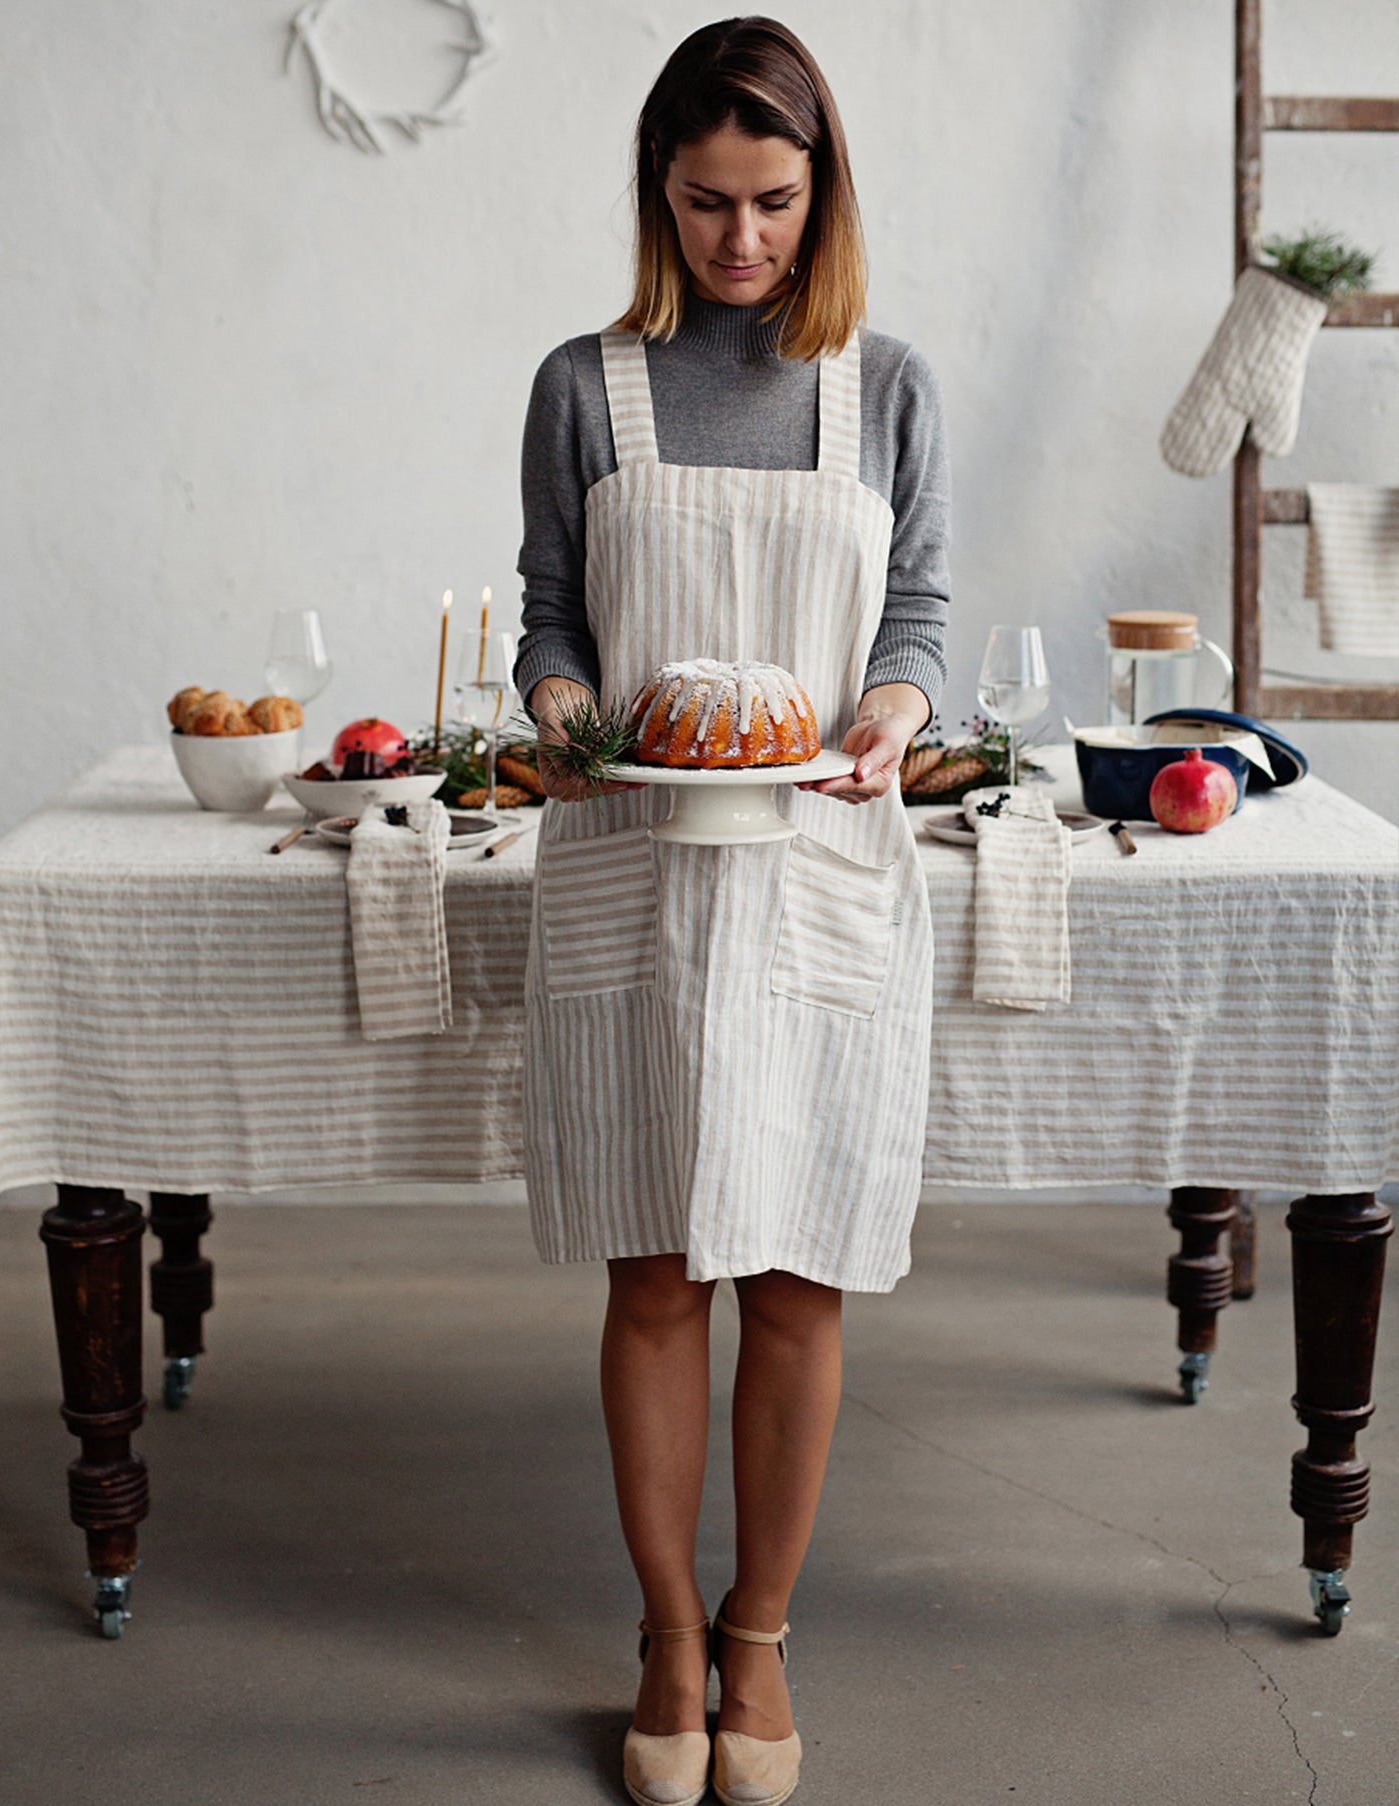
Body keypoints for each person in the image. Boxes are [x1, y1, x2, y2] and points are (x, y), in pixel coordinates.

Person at [514, 18, 949, 1805]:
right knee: (649, 1265)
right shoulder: (583, 383)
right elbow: (551, 616)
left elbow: (914, 614)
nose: (742, 242)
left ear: (821, 192)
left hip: (820, 871)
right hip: (632, 862)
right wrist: (556, 716)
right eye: (705, 203)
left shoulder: (884, 384)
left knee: (791, 1268)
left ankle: (758, 1628)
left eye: (775, 202)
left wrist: (890, 717)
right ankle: (664, 1632)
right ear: (656, 193)